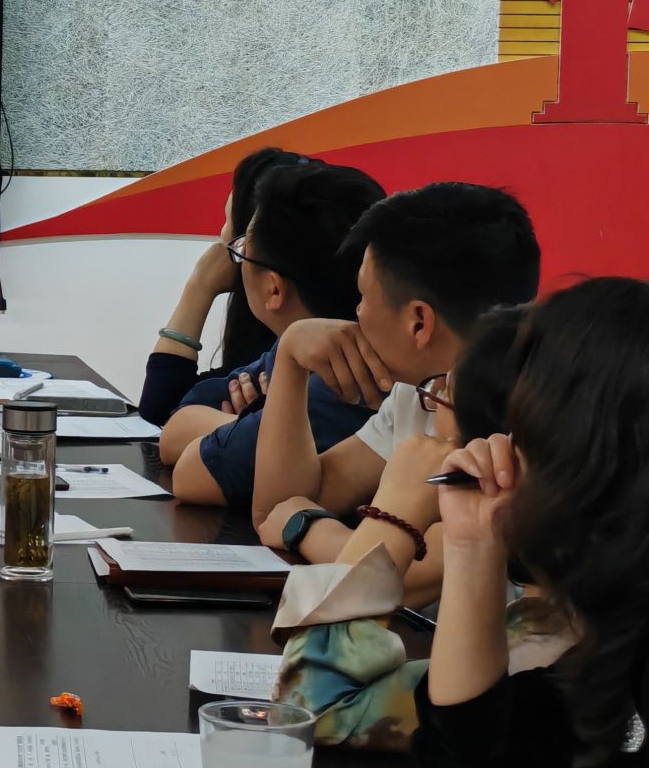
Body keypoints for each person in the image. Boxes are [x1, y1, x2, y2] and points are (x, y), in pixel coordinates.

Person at [349, 279, 649, 768]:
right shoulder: (620, 635)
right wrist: (472, 544)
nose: (506, 452)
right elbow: (471, 758)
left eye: (528, 434)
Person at [248, 182, 541, 531]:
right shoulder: (415, 395)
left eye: (363, 296)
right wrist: (290, 356)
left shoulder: (539, 422)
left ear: (419, 322)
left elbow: (426, 560)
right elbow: (279, 510)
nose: (356, 312)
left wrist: (312, 534)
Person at [164, 161, 386, 507]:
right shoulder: (293, 348)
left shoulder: (339, 385)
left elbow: (190, 473)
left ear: (274, 288)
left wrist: (265, 422)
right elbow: (178, 421)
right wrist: (258, 422)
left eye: (241, 250)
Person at [138, 147, 312, 426]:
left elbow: (163, 410)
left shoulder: (283, 367)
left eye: (230, 227)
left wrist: (199, 286)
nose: (221, 241)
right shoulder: (273, 351)